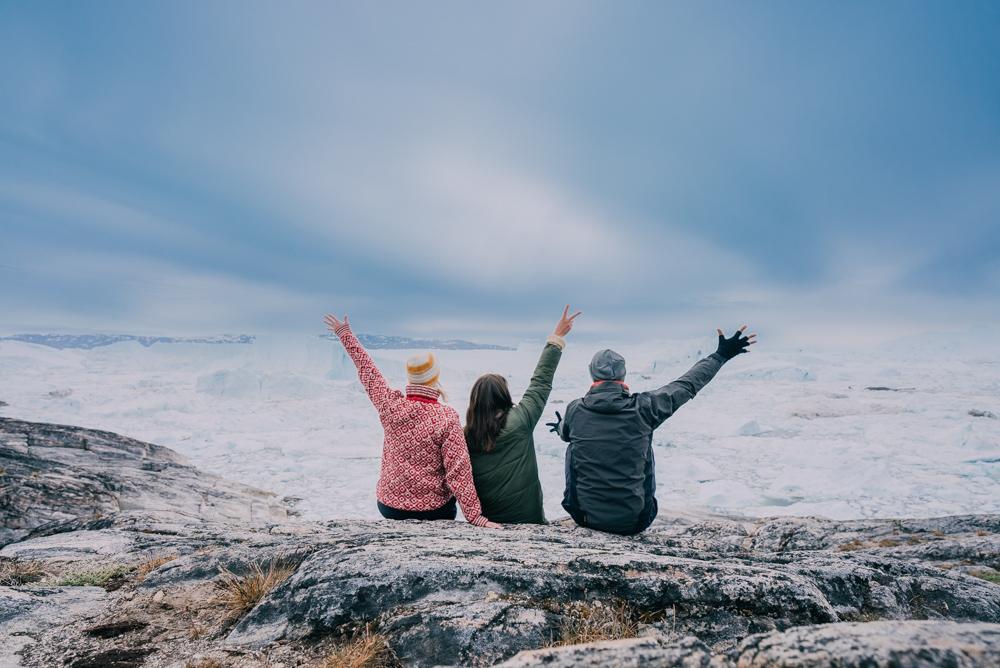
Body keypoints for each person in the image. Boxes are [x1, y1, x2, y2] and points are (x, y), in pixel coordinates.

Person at [550, 326, 757, 535]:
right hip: (635, 522)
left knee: (573, 447)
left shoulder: (575, 410)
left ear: (592, 374)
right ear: (623, 375)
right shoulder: (645, 408)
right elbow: (686, 385)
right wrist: (721, 356)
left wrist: (559, 426)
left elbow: (565, 432)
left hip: (585, 517)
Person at [323, 313, 500, 528]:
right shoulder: (446, 418)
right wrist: (475, 518)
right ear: (435, 377)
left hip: (389, 506)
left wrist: (345, 335)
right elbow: (458, 473)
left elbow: (368, 371)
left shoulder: (390, 405)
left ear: (410, 378)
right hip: (434, 511)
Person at [465, 305, 582, 524]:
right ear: (504, 396)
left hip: (489, 525)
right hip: (531, 521)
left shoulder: (464, 437)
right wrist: (556, 338)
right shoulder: (521, 420)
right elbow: (541, 382)